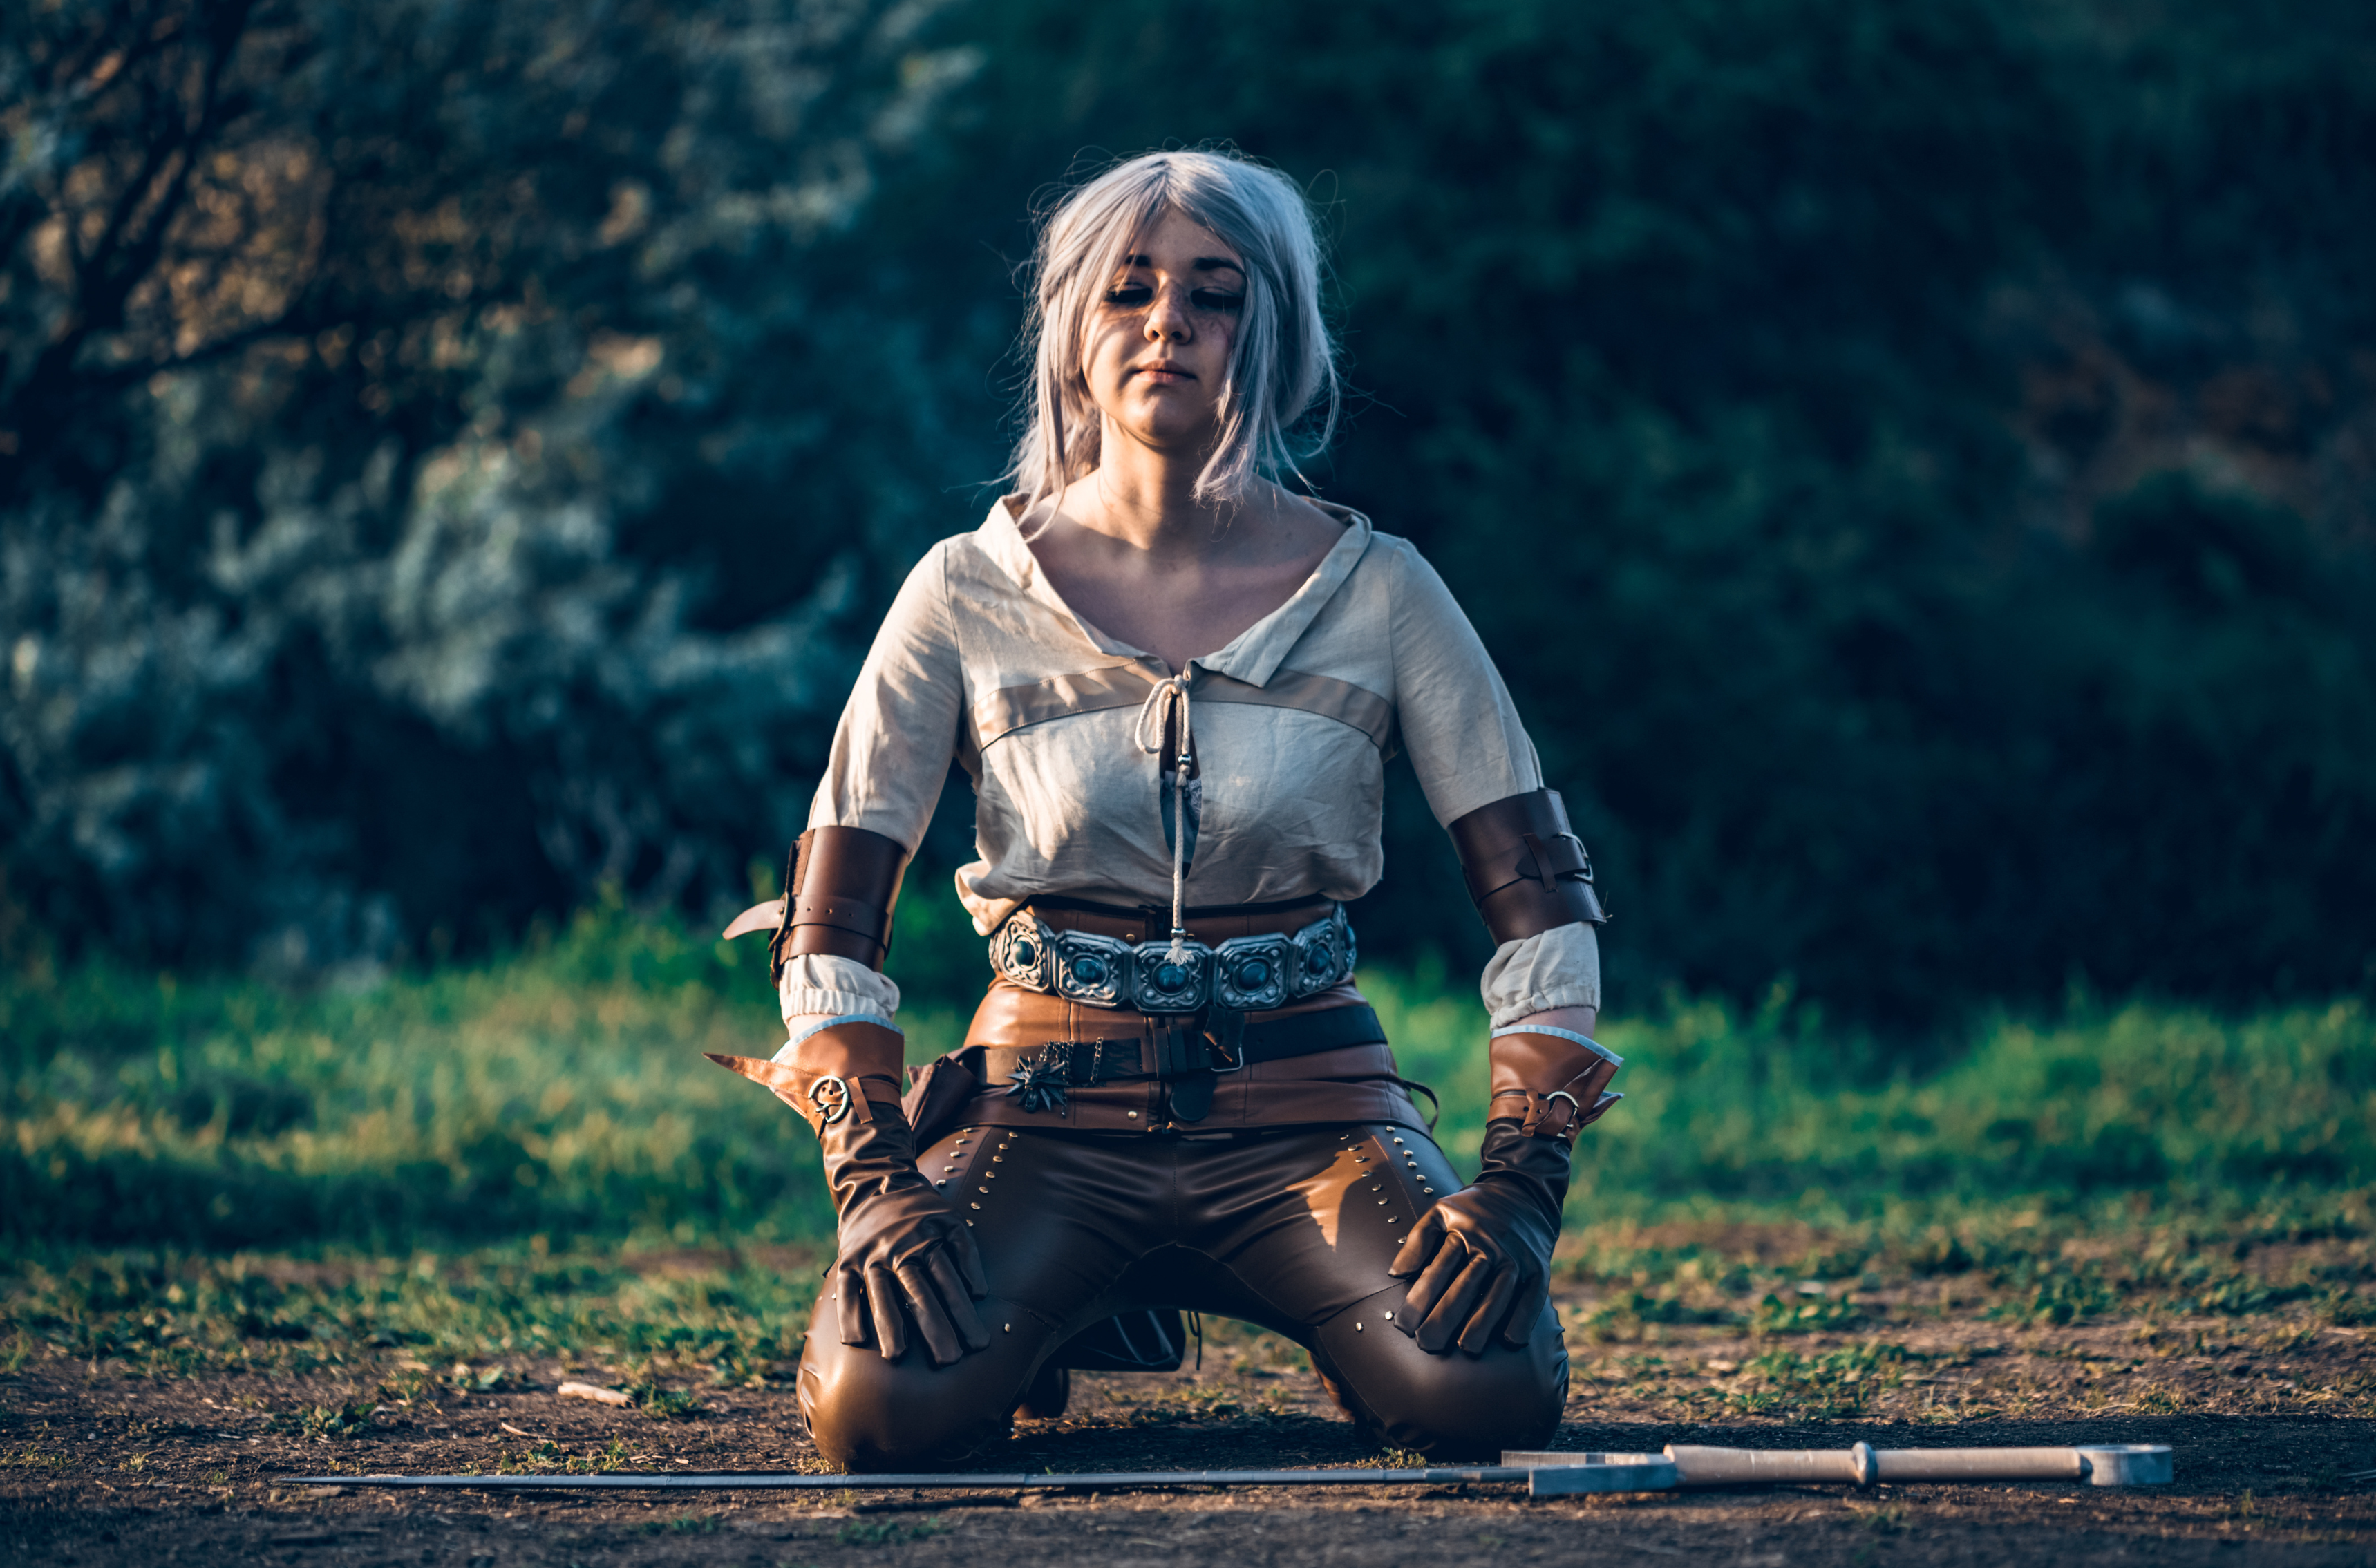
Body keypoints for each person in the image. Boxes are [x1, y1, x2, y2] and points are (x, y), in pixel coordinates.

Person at [711, 148, 1619, 1471]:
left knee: (1479, 1394)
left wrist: (1519, 1188)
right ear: (1074, 331)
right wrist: (874, 1184)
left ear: (1278, 334)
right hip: (1041, 1111)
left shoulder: (1384, 590)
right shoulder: (964, 588)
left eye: (1216, 293)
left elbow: (1539, 894)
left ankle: (1325, 1319)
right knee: (882, 1414)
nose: (1167, 325)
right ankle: (1064, 1294)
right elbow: (832, 918)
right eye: (1127, 291)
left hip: (1309, 1113)